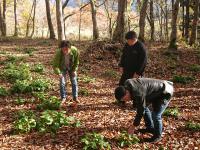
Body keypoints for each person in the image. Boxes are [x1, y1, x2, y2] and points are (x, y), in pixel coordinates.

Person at [114, 78, 174, 143]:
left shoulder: (137, 92)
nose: (125, 101)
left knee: (156, 115)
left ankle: (157, 136)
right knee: (144, 107)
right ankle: (150, 128)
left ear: (126, 92)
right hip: (155, 92)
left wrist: (133, 126)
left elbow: (140, 111)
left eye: (123, 99)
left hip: (165, 92)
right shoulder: (127, 85)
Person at [53, 40, 79, 107]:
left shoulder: (75, 50)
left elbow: (76, 62)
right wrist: (59, 73)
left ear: (70, 48)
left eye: (67, 49)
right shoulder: (58, 53)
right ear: (61, 48)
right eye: (63, 49)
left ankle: (75, 97)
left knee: (74, 81)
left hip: (71, 67)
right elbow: (55, 65)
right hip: (62, 68)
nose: (65, 51)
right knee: (62, 82)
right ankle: (63, 98)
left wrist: (74, 70)